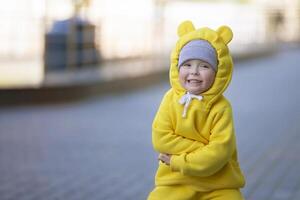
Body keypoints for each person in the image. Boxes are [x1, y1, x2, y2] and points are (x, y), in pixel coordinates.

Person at [147, 20, 246, 200]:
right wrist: (204, 148)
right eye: (187, 65)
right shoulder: (170, 99)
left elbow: (219, 152)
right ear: (177, 68)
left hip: (219, 185)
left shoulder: (221, 108)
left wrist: (178, 160)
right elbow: (161, 138)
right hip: (175, 182)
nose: (194, 72)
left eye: (204, 66)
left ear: (218, 72)